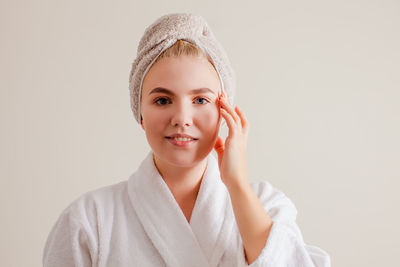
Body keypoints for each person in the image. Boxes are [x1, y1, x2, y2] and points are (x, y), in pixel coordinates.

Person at [43, 13, 331, 267]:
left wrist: (237, 185)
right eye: (163, 99)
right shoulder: (89, 220)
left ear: (224, 111)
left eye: (201, 99)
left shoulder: (266, 206)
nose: (182, 117)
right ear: (140, 113)